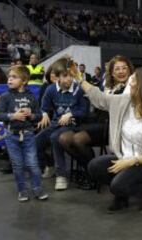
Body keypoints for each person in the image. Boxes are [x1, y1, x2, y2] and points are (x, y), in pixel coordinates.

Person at [76, 67, 142, 213]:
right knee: (94, 167)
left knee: (117, 185)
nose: (130, 83)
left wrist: (131, 161)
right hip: (123, 157)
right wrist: (80, 79)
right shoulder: (123, 102)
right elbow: (99, 98)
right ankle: (122, 194)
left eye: (134, 80)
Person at [57, 55, 135, 182]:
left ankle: (94, 173)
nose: (121, 71)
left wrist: (79, 78)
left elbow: (103, 102)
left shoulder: (132, 86)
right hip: (99, 121)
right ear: (111, 73)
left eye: (124, 68)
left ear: (130, 70)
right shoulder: (108, 86)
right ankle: (89, 170)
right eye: (117, 69)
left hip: (114, 126)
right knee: (63, 138)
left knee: (78, 139)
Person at [0, 65, 48, 202]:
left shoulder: (31, 97)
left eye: (14, 77)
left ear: (24, 81)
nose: (9, 80)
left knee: (33, 164)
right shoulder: (5, 96)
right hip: (11, 136)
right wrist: (14, 116)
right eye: (9, 77)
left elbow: (39, 116)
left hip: (29, 134)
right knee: (17, 165)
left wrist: (31, 115)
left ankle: (37, 188)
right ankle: (22, 190)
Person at [35, 57, 87, 190]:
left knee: (55, 138)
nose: (69, 79)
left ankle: (61, 176)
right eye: (65, 76)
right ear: (57, 77)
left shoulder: (78, 90)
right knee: (35, 143)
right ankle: (50, 165)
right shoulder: (51, 89)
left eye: (71, 76)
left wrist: (71, 114)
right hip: (55, 124)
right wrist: (44, 113)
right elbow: (44, 107)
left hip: (71, 125)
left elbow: (84, 111)